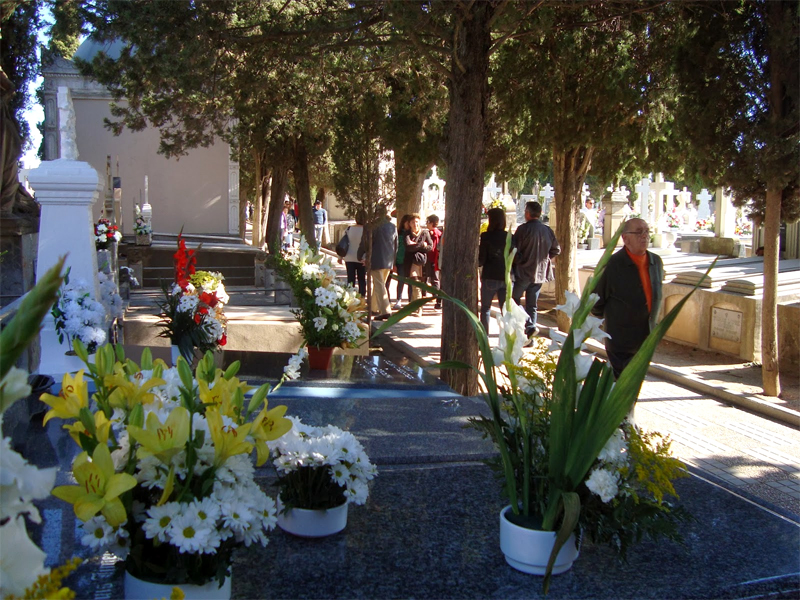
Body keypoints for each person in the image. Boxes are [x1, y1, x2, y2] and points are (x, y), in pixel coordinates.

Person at [591, 218, 664, 379]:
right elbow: (596, 303)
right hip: (621, 342)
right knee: (623, 387)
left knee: (635, 385)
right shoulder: (613, 265)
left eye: (646, 231)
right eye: (638, 232)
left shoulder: (656, 262)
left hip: (646, 340)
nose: (644, 236)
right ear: (625, 238)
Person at [512, 200, 560, 341]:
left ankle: (526, 327)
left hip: (524, 272)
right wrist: (544, 259)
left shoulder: (523, 230)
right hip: (539, 273)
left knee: (514, 300)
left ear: (527, 213)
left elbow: (514, 250)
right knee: (532, 304)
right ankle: (530, 332)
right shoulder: (547, 230)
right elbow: (556, 249)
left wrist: (520, 260)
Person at [358, 209, 397, 320]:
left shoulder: (371, 226)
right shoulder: (392, 226)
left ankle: (385, 310)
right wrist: (393, 261)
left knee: (379, 285)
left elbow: (365, 243)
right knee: (379, 284)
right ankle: (373, 308)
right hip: (388, 260)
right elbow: (396, 245)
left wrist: (360, 255)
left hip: (376, 259)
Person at [478, 208, 511, 333]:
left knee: (486, 308)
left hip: (490, 276)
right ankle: (506, 337)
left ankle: (484, 338)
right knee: (505, 311)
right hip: (505, 276)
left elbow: (481, 260)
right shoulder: (509, 236)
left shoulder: (486, 236)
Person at [404, 213, 433, 317]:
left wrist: (416, 245)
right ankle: (419, 308)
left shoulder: (425, 233)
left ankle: (413, 306)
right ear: (409, 224)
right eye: (413, 222)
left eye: (416, 222)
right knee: (415, 284)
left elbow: (430, 247)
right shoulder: (407, 234)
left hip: (423, 262)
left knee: (419, 285)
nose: (415, 224)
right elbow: (408, 247)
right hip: (412, 263)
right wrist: (421, 244)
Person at [341, 212, 366, 296]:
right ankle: (362, 297)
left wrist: (340, 256)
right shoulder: (366, 230)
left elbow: (342, 243)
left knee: (350, 279)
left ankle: (350, 297)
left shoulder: (348, 229)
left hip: (349, 257)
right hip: (362, 258)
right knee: (361, 279)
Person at [393, 214, 412, 309]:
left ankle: (410, 301)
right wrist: (394, 262)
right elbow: (395, 247)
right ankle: (398, 299)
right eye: (408, 222)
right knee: (401, 281)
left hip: (410, 261)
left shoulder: (412, 233)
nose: (409, 224)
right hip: (400, 260)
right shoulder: (399, 233)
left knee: (411, 282)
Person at [424, 214, 443, 309]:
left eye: (427, 222)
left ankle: (438, 300)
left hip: (434, 259)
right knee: (432, 279)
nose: (426, 224)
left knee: (435, 279)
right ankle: (435, 297)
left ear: (431, 223)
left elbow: (435, 248)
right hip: (431, 259)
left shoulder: (436, 233)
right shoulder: (433, 233)